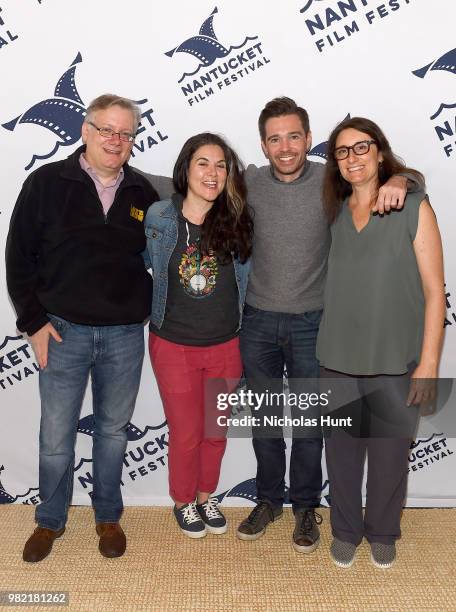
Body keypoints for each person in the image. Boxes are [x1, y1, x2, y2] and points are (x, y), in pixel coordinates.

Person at [143, 97, 419, 552]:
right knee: (268, 423)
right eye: (275, 138)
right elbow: (170, 186)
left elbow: (389, 178)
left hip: (315, 325)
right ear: (263, 145)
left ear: (310, 140)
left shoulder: (333, 181)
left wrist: (402, 177)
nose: (285, 146)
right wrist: (116, 171)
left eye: (294, 136)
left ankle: (306, 507)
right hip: (255, 324)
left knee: (310, 424)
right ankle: (269, 500)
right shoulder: (246, 183)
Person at [5, 94, 159, 562]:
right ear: (85, 131)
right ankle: (50, 521)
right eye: (106, 129)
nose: (116, 140)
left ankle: (107, 516)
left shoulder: (145, 192)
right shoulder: (47, 183)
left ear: (134, 139)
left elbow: (202, 189)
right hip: (62, 331)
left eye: (125, 133)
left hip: (126, 334)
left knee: (113, 431)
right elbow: (18, 256)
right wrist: (32, 322)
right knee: (56, 435)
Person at [317, 116, 445, 568]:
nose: (352, 158)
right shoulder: (331, 212)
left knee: (390, 459)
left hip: (396, 360)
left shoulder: (411, 205)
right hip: (336, 358)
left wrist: (428, 365)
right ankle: (346, 530)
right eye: (342, 151)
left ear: (379, 151)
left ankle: (384, 531)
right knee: (343, 458)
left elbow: (435, 293)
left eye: (362, 147)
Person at [143, 133, 253, 538]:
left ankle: (206, 497)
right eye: (203, 163)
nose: (212, 172)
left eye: (221, 165)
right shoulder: (159, 217)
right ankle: (183, 501)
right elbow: (139, 262)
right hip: (173, 345)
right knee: (186, 433)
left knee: (215, 432)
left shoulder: (238, 218)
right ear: (186, 169)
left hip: (226, 345)